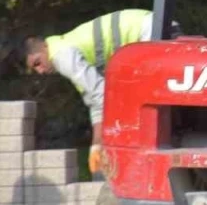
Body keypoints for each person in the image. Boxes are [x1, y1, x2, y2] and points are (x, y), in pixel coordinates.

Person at [24, 9, 154, 175]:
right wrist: (96, 147)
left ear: (44, 47)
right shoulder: (70, 52)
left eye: (37, 63)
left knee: (144, 104)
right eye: (35, 69)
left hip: (149, 31)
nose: (40, 71)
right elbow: (97, 102)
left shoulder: (61, 55)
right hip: (149, 29)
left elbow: (102, 94)